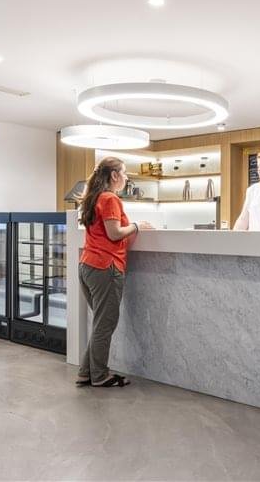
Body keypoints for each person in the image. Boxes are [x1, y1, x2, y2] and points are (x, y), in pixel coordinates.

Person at [75, 156, 153, 388]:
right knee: (105, 323)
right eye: (124, 172)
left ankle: (86, 372)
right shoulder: (110, 198)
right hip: (105, 267)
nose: (127, 177)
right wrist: (138, 226)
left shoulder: (95, 197)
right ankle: (100, 376)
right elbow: (115, 233)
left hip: (88, 265)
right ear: (114, 175)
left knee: (101, 322)